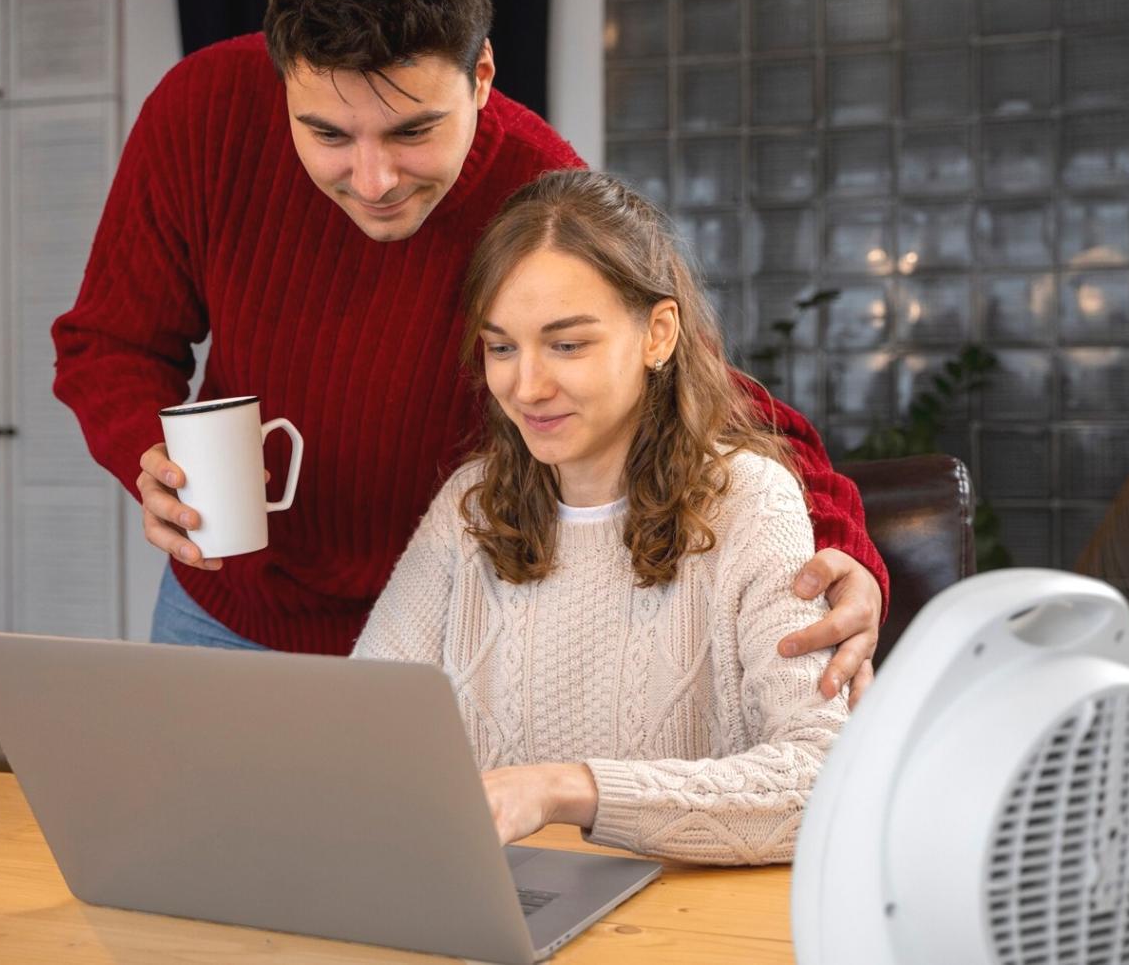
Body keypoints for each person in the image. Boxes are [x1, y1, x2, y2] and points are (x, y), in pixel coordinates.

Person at [50, 0, 887, 703]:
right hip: (223, 612)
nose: (373, 180)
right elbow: (109, 344)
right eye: (328, 134)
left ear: (480, 75)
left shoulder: (535, 186)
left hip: (445, 625)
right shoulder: (200, 111)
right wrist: (148, 457)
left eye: (412, 131)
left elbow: (701, 390)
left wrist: (842, 548)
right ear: (282, 82)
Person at [353, 169, 846, 864]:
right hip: (491, 903)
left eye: (567, 344)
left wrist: (569, 789)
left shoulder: (750, 501)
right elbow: (361, 734)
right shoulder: (470, 507)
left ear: (657, 334)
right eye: (501, 347)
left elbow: (821, 781)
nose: (526, 387)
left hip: (678, 912)